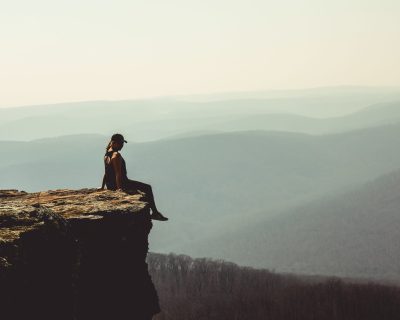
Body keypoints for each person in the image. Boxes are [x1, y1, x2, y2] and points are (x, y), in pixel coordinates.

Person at [100, 133, 168, 221]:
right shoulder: (116, 155)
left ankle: (155, 213)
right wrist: (120, 190)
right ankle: (155, 213)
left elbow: (106, 173)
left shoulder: (106, 155)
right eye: (120, 143)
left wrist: (102, 187)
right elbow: (118, 174)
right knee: (147, 188)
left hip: (110, 185)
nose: (122, 145)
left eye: (122, 143)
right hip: (123, 183)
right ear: (113, 142)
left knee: (144, 188)